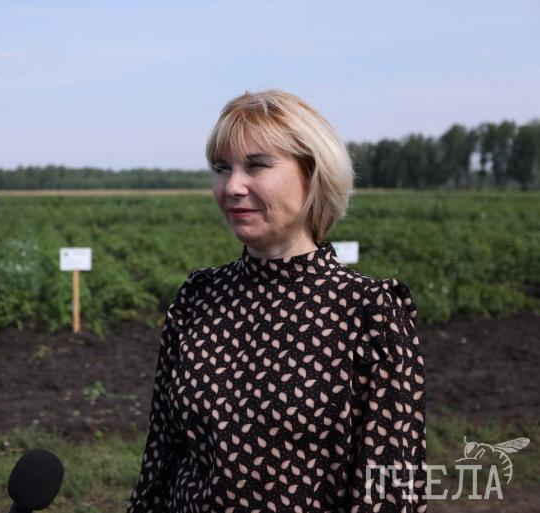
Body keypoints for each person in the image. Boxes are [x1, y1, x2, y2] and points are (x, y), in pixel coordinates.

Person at [126, 90, 426, 513]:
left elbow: (389, 488)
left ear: (313, 174)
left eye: (257, 165)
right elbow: (161, 458)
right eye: (221, 169)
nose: (232, 187)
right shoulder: (198, 297)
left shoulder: (368, 313)